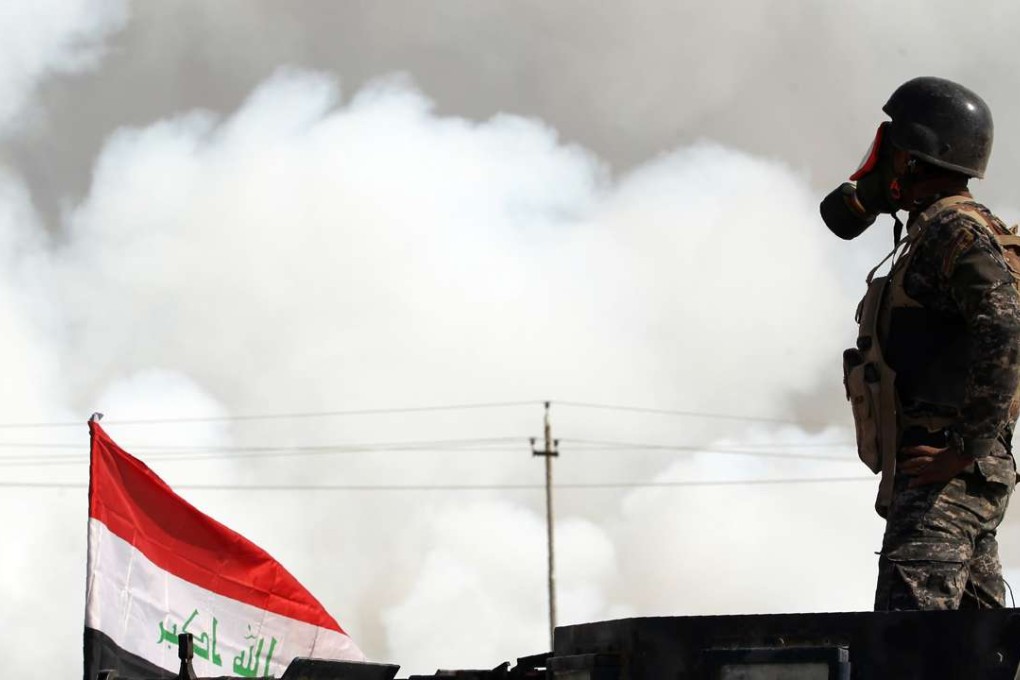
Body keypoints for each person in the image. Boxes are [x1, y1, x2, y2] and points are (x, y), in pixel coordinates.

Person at [820, 76, 1020, 610]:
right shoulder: (964, 227)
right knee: (977, 651)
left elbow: (1005, 327)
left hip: (942, 481)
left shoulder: (950, 231)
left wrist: (963, 447)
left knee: (910, 650)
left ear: (911, 160)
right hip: (964, 478)